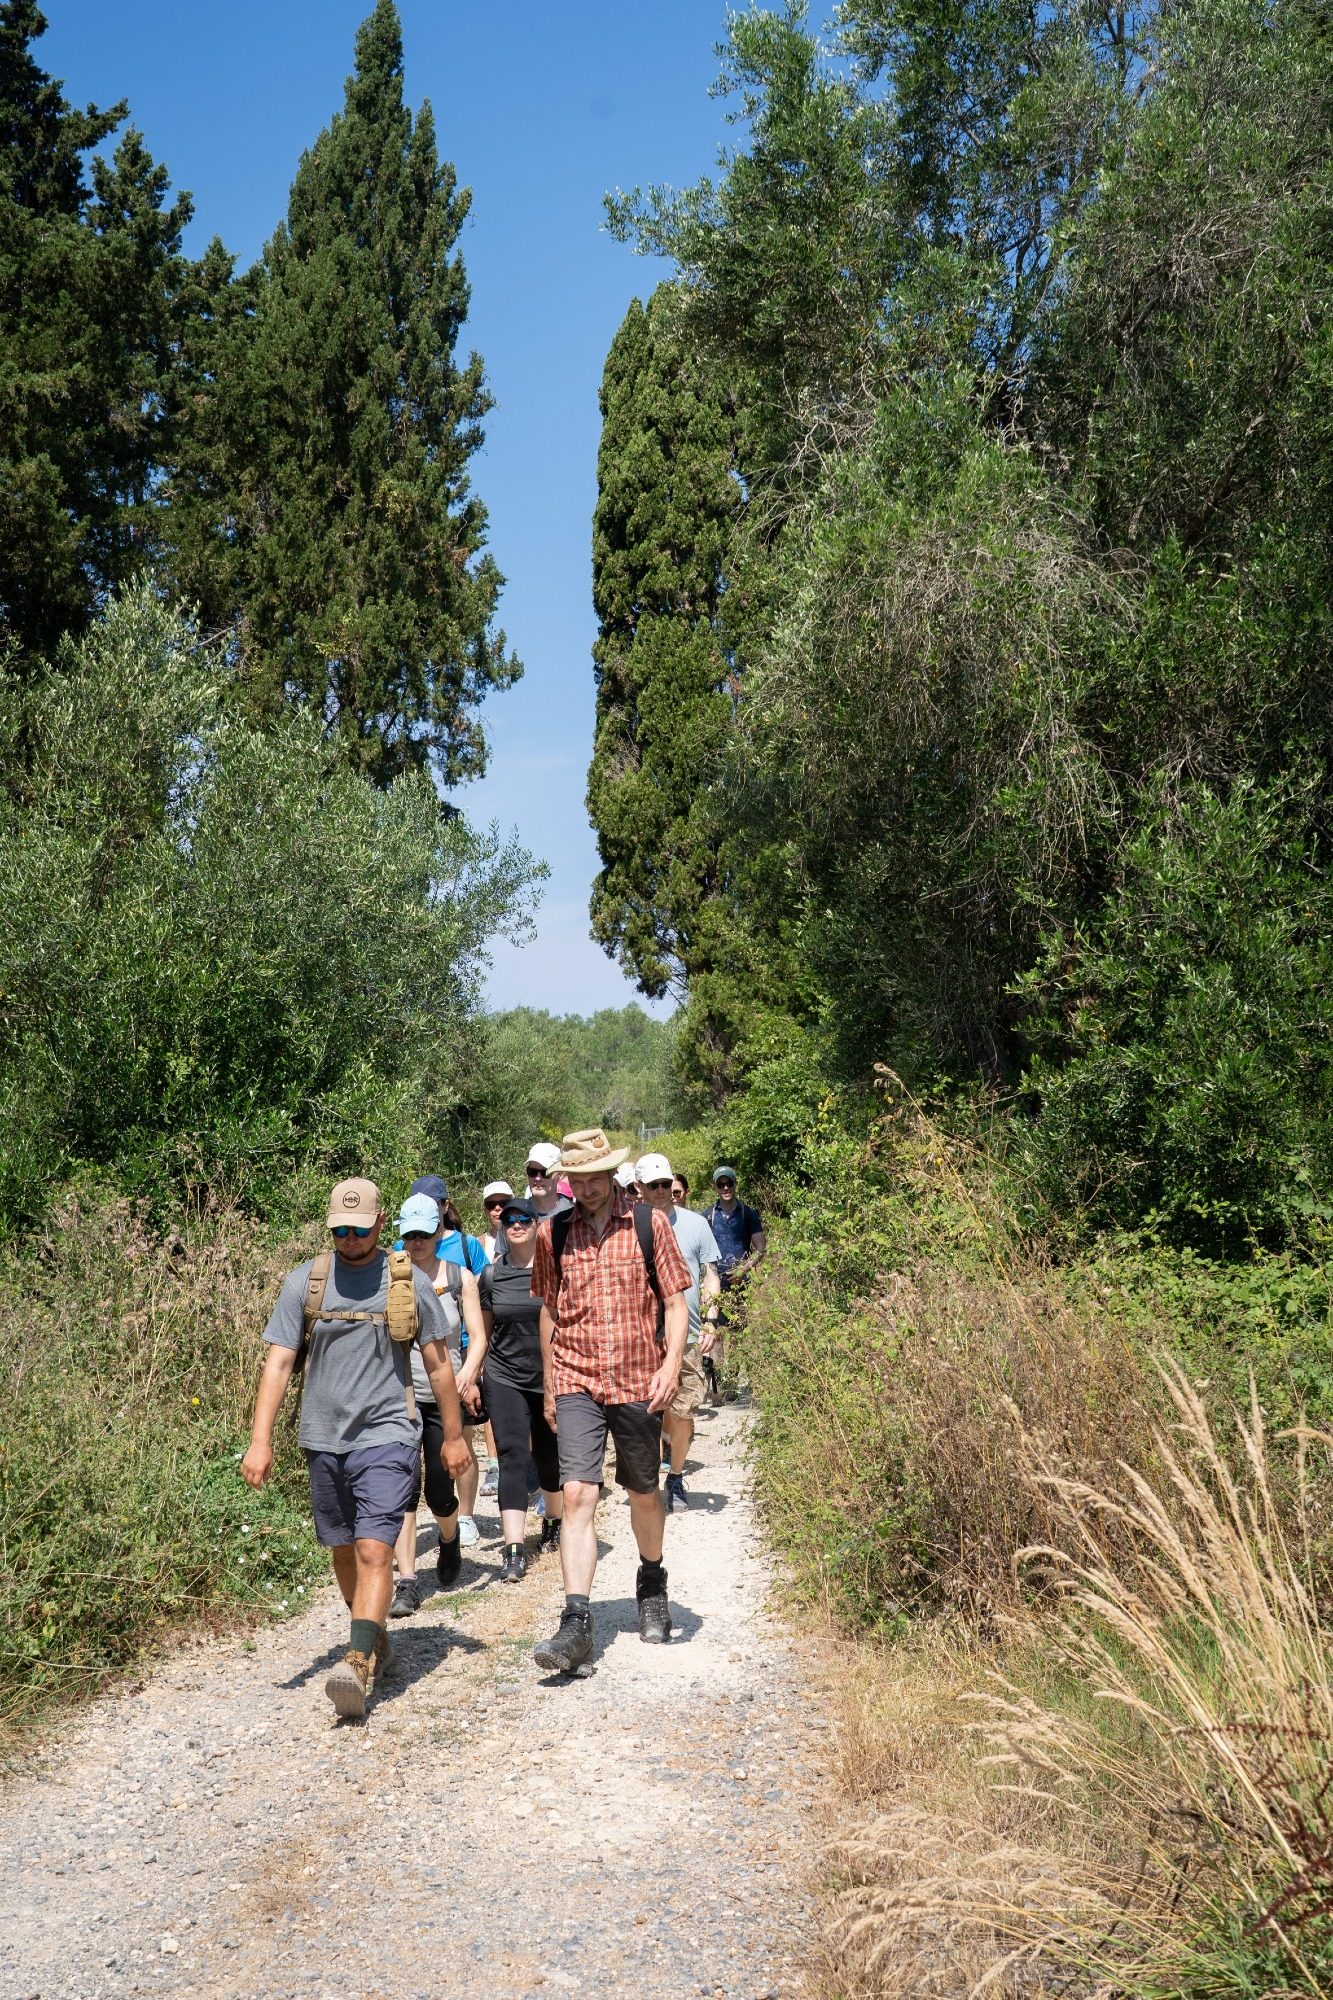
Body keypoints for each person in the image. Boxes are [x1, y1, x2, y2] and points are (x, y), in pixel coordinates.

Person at [241, 1178, 470, 1720]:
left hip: (388, 1433)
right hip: (322, 1437)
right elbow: (277, 1361)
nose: (349, 1238)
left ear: (378, 1221)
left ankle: (359, 1658)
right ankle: (373, 1635)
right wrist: (260, 1439)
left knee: (373, 1549)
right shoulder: (308, 1282)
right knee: (342, 1549)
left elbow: (438, 1363)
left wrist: (455, 1437)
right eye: (339, 1230)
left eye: (359, 1229)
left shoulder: (405, 1282)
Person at [531, 1128, 690, 1676]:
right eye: (577, 1179)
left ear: (611, 1175)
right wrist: (551, 1381)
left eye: (595, 1178)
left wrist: (671, 1365)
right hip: (577, 1377)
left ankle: (651, 1582)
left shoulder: (650, 1224)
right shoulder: (553, 1234)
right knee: (576, 1494)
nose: (587, 1188)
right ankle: (576, 1621)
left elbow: (674, 1301)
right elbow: (549, 1309)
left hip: (638, 1378)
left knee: (644, 1492)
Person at [387, 1193, 488, 1617]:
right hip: (397, 1397)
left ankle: (449, 1539)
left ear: (436, 1230)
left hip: (442, 1396)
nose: (416, 1242)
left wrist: (467, 1375)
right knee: (401, 1490)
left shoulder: (458, 1274)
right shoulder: (391, 1277)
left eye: (423, 1233)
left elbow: (478, 1335)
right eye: (408, 1235)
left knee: (439, 1490)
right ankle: (408, 1581)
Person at [481, 1196, 563, 1581]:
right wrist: (474, 1376)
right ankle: (513, 1549)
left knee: (548, 1457)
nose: (515, 1225)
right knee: (512, 1455)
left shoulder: (557, 1271)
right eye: (509, 1220)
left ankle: (554, 1522)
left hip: (549, 1376)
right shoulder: (492, 1276)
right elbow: (483, 1332)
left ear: (537, 1225)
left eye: (524, 1219)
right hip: (504, 1375)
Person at [636, 1153, 721, 1512]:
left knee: (684, 1413)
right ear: (639, 1189)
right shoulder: (627, 1228)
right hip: (641, 1338)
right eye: (653, 1185)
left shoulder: (695, 1225)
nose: (661, 1191)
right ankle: (650, 1485)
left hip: (685, 1333)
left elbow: (710, 1276)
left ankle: (676, 1476)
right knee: (646, 1415)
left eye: (666, 1185)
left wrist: (713, 1320)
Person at [704, 1165, 766, 1397]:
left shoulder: (747, 1214)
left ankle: (733, 1381)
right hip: (715, 1283)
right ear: (715, 1187)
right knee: (717, 1332)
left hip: (741, 1284)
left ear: (735, 1184)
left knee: (739, 1333)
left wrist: (744, 1269)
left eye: (729, 1183)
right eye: (721, 1184)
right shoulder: (708, 1216)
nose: (726, 1188)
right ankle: (722, 1382)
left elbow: (760, 1248)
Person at [410, 1174, 489, 1274]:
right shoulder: (402, 1248)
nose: (424, 1210)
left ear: (445, 1206)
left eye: (431, 1205)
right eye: (418, 1205)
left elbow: (483, 1286)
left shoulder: (468, 1245)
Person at [525, 1142, 572, 1221]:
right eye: (532, 1171)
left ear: (559, 1174)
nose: (537, 1178)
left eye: (545, 1173)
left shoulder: (572, 1213)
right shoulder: (517, 1215)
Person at [479, 1180, 513, 1260]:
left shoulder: (525, 1239)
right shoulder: (477, 1244)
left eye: (503, 1203)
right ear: (486, 1211)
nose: (497, 1208)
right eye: (491, 1205)